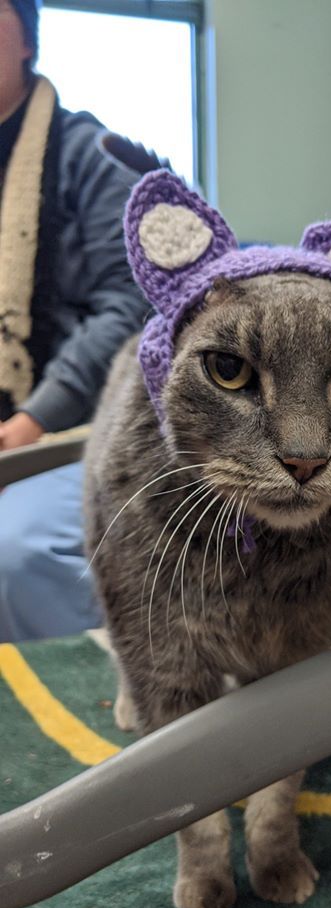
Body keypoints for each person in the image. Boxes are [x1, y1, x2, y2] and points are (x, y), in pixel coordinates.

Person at [0, 0, 152, 641]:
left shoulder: (91, 155)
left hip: (78, 427)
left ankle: (107, 718)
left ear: (26, 38)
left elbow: (128, 304)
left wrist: (32, 420)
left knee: (18, 549)